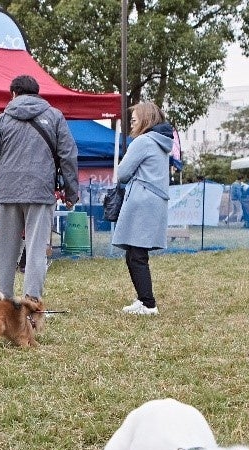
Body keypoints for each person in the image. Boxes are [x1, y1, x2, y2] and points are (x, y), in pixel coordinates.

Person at [0, 74, 78, 305]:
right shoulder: (55, 116)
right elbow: (68, 156)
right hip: (41, 191)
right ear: (37, 93)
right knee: (36, 249)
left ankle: (4, 302)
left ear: (13, 94)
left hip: (8, 192)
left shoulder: (2, 120)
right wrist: (71, 192)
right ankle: (31, 303)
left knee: (5, 250)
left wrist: (1, 183)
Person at [110, 101, 174, 316]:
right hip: (154, 201)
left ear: (145, 119)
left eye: (134, 119)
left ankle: (148, 304)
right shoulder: (161, 142)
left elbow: (122, 173)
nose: (131, 123)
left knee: (136, 255)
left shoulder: (143, 141)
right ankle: (143, 299)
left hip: (142, 201)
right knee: (135, 253)